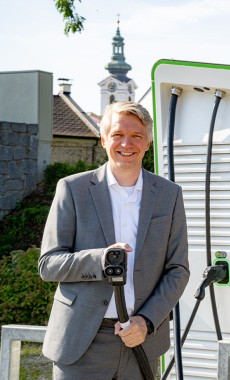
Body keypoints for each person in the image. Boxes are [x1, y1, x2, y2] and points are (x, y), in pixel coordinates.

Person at [39, 101, 190, 379]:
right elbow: (48, 264)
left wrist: (146, 322)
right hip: (81, 341)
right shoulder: (73, 189)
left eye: (137, 136)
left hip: (140, 342)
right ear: (103, 139)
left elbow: (177, 269)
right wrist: (101, 259)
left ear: (147, 144)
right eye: (118, 134)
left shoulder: (169, 195)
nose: (126, 143)